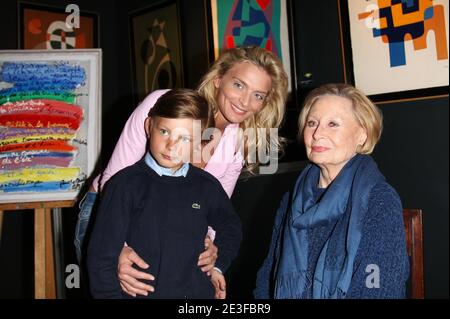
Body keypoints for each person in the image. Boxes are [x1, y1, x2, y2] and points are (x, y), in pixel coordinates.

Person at [74, 46, 288, 297]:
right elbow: (115, 180)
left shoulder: (239, 142)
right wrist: (117, 250)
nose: (245, 102)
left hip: (166, 225)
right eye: (239, 85)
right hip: (104, 212)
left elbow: (213, 209)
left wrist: (210, 249)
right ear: (219, 79)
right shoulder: (162, 104)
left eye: (258, 95)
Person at [254, 83, 409, 299]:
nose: (317, 133)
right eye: (312, 123)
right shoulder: (291, 200)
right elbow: (267, 277)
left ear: (362, 136)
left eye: (333, 124)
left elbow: (379, 290)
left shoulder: (379, 200)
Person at [87, 89, 242, 299]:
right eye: (165, 132)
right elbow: (101, 260)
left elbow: (231, 227)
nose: (171, 145)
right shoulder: (123, 185)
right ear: (149, 126)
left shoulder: (207, 186)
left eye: (185, 138)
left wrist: (218, 266)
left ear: (198, 144)